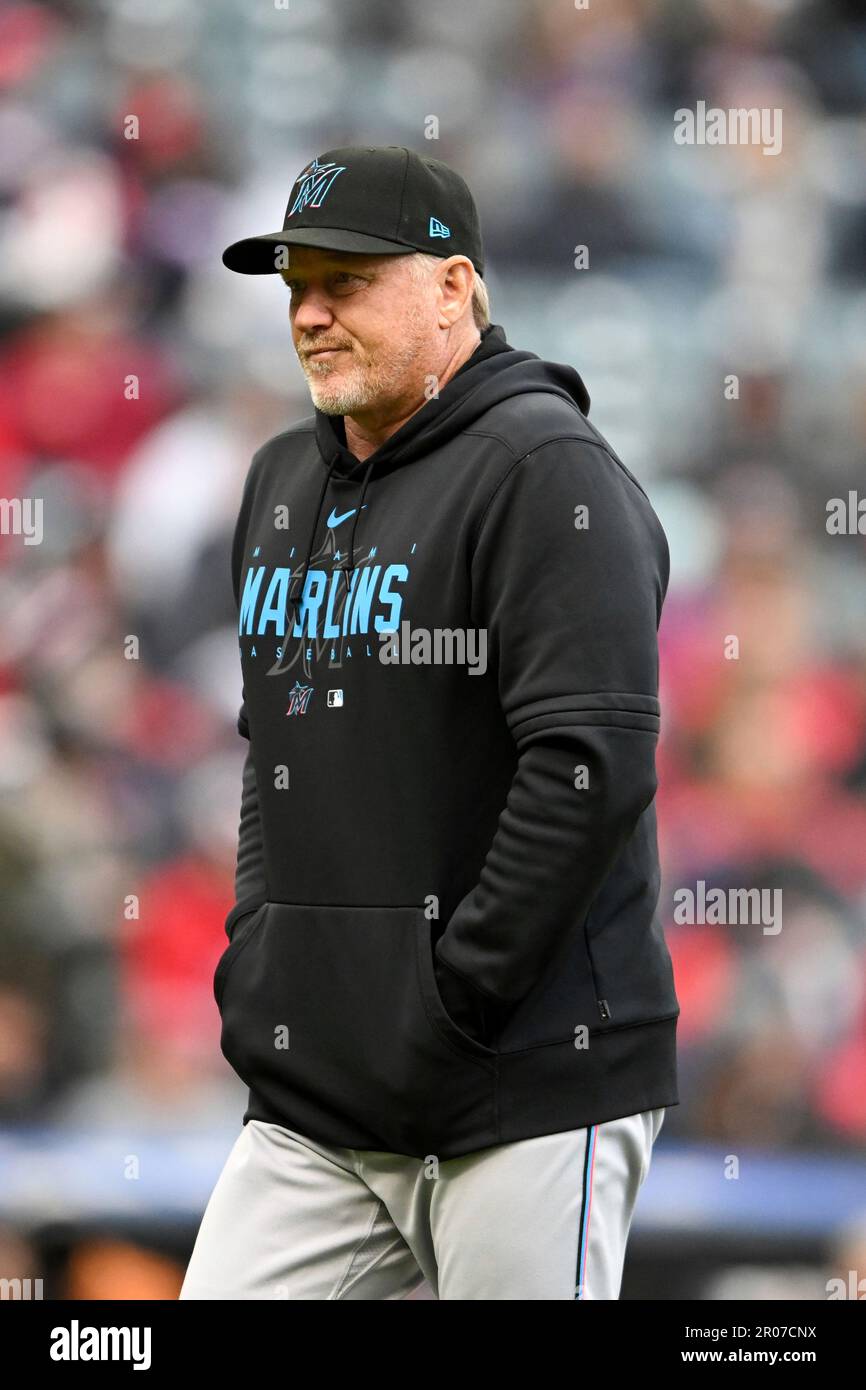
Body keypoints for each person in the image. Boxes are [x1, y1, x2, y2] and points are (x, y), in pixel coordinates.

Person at [179, 145, 679, 1300]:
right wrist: (268, 957)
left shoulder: (547, 473)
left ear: (452, 287)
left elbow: (587, 766)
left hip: (526, 1088)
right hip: (321, 1098)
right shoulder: (278, 484)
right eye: (295, 285)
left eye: (345, 281)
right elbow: (275, 758)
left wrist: (455, 996)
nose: (308, 313)